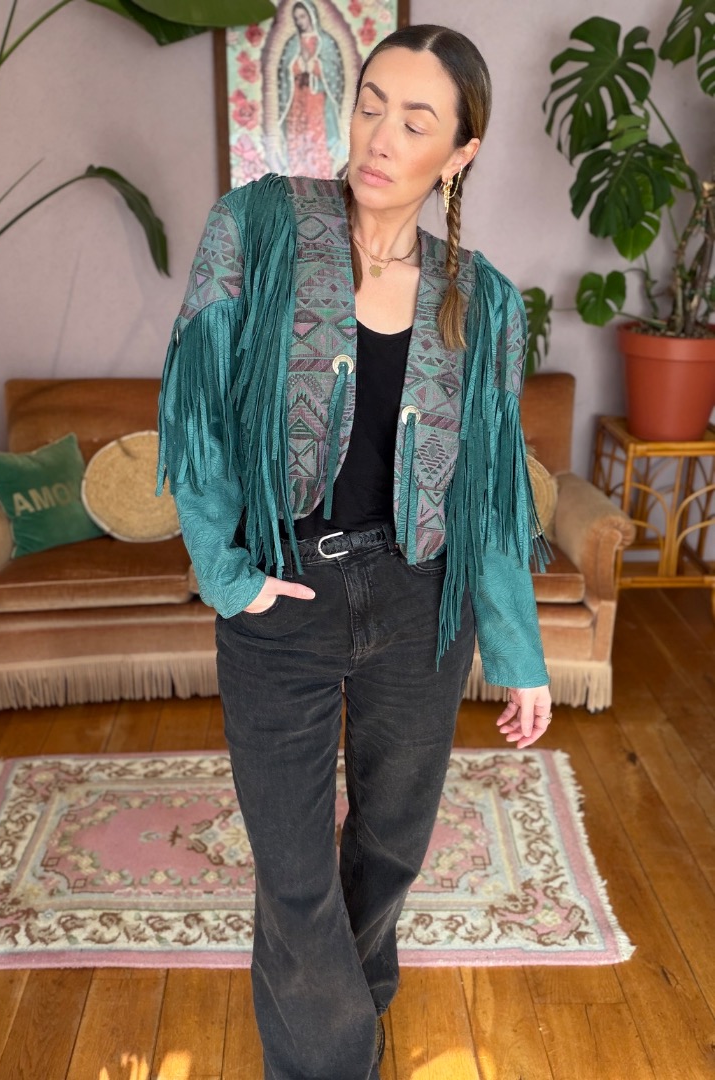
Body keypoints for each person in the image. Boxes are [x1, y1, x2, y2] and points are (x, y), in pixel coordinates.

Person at [158, 23, 553, 1080]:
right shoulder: (257, 227)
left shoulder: (485, 301)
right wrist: (228, 576)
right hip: (284, 589)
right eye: (371, 102)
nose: (379, 135)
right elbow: (197, 407)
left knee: (390, 847)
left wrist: (517, 651)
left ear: (460, 153)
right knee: (294, 872)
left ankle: (355, 1007)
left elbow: (489, 491)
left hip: (422, 600)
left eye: (416, 122)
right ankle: (336, 1063)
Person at [276, 0, 346, 176]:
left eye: (302, 16)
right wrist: (298, 64)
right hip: (296, 100)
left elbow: (334, 71)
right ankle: (296, 181)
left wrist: (315, 65)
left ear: (311, 15)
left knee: (317, 139)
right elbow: (284, 71)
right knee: (297, 140)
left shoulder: (326, 42)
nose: (300, 21)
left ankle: (321, 180)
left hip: (317, 99)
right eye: (296, 18)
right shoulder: (293, 44)